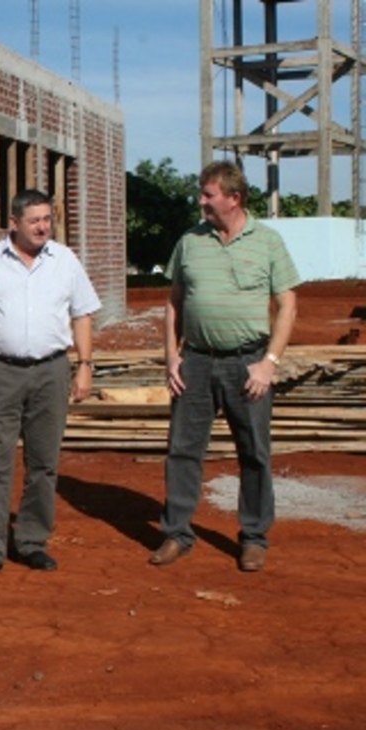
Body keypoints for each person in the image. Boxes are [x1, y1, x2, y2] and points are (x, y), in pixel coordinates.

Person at [150, 160, 300, 572]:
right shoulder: (190, 241)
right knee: (183, 450)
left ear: (234, 198)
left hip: (248, 364)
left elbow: (287, 305)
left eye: (208, 195)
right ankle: (177, 533)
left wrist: (268, 363)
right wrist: (172, 356)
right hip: (196, 362)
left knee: (254, 453)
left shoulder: (267, 242)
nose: (201, 201)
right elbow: (174, 302)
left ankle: (253, 537)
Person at [0, 189, 101, 579]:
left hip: (52, 371)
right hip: (2, 372)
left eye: (47, 219)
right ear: (14, 222)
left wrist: (85, 365)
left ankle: (33, 542)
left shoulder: (65, 261)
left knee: (44, 463)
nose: (42, 227)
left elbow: (83, 314)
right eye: (34, 220)